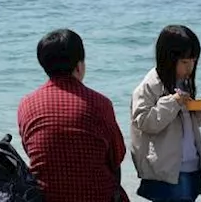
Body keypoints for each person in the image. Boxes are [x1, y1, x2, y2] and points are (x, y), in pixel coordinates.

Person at [18, 29, 129, 202]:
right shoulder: (100, 103)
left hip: (46, 198)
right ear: (79, 66)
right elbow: (117, 154)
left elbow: (31, 149)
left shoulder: (27, 104)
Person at [131, 25, 201, 202]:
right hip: (167, 170)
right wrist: (172, 102)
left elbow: (187, 124)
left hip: (191, 165)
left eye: (193, 61)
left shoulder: (184, 83)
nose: (190, 67)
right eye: (185, 62)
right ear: (167, 59)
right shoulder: (150, 86)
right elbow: (144, 122)